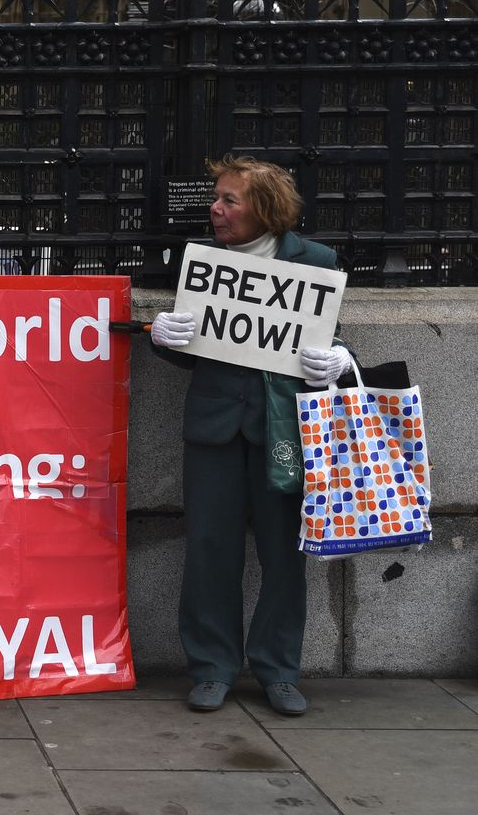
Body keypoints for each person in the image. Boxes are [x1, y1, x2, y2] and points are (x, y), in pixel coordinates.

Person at [149, 155, 350, 717]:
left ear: (265, 208)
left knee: (285, 556)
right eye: (218, 198)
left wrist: (337, 359)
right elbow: (198, 345)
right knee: (211, 552)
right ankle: (211, 668)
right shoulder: (203, 260)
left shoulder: (316, 262)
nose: (216, 209)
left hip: (284, 431)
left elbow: (334, 341)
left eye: (229, 200)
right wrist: (162, 336)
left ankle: (278, 669)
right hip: (214, 430)